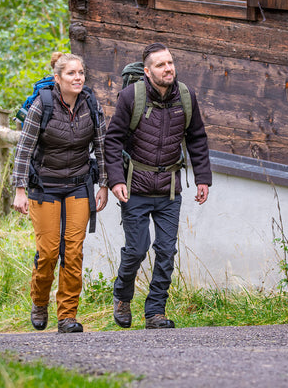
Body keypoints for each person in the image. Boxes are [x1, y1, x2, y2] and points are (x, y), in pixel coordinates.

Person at [104, 43, 212, 329]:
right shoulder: (131, 97)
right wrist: (115, 180)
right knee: (137, 249)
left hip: (168, 189)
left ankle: (155, 312)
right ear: (148, 72)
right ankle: (122, 296)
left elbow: (197, 138)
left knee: (166, 250)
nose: (169, 68)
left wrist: (203, 178)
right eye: (162, 65)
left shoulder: (186, 97)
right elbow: (112, 140)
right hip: (135, 186)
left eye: (171, 63)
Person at [12, 52, 108, 333]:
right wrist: (20, 190)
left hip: (79, 184)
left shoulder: (90, 103)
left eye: (81, 73)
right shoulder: (42, 105)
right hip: (44, 186)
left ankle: (67, 316)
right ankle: (39, 301)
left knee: (73, 251)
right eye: (71, 74)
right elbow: (24, 150)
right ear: (58, 78)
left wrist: (103, 184)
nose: (78, 78)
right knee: (48, 252)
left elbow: (101, 147)